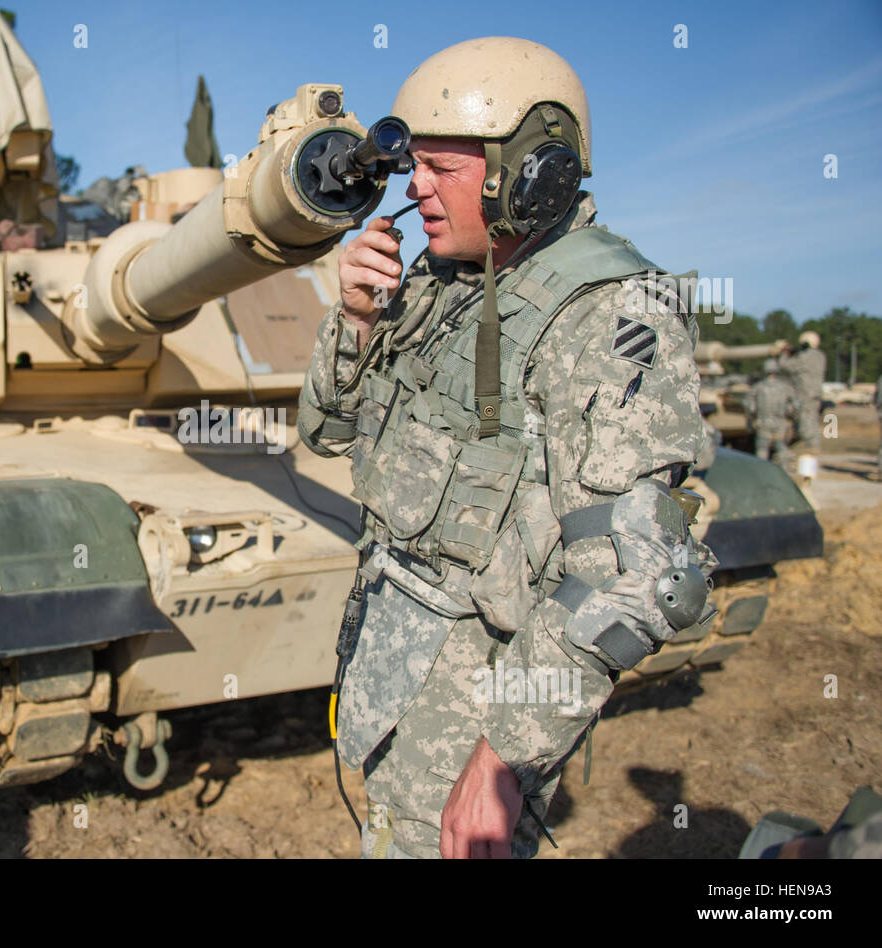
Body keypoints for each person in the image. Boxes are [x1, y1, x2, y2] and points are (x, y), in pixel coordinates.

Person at [298, 36, 715, 859]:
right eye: (411, 165)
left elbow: (643, 577)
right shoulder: (438, 284)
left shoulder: (611, 319)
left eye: (437, 169)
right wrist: (354, 320)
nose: (412, 189)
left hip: (479, 713)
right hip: (392, 671)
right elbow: (326, 430)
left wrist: (503, 757)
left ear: (529, 174)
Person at [779, 331, 827, 451]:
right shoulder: (821, 356)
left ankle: (810, 448)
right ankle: (814, 447)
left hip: (805, 394)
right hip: (816, 393)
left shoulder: (804, 357)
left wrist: (785, 354)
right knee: (813, 422)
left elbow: (785, 366)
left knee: (805, 423)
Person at [744, 359, 796, 462]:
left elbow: (749, 405)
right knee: (780, 446)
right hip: (780, 421)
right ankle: (783, 469)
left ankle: (761, 470)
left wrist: (751, 418)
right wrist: (791, 414)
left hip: (763, 421)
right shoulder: (785, 387)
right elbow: (796, 404)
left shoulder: (758, 387)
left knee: (762, 448)